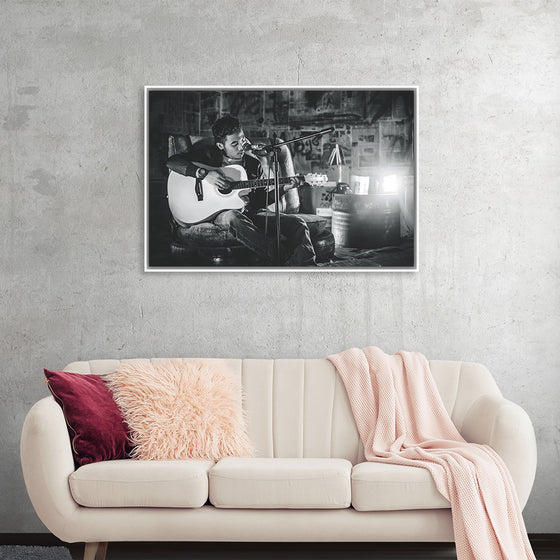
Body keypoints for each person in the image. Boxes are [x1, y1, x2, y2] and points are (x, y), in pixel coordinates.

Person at [166, 115, 317, 266]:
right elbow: (172, 162)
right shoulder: (208, 155)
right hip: (219, 213)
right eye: (234, 144)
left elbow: (260, 200)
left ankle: (308, 268)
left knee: (298, 224)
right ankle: (283, 261)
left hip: (249, 212)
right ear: (220, 146)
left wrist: (283, 188)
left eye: (242, 139)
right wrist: (204, 174)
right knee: (234, 217)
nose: (241, 146)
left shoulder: (253, 164)